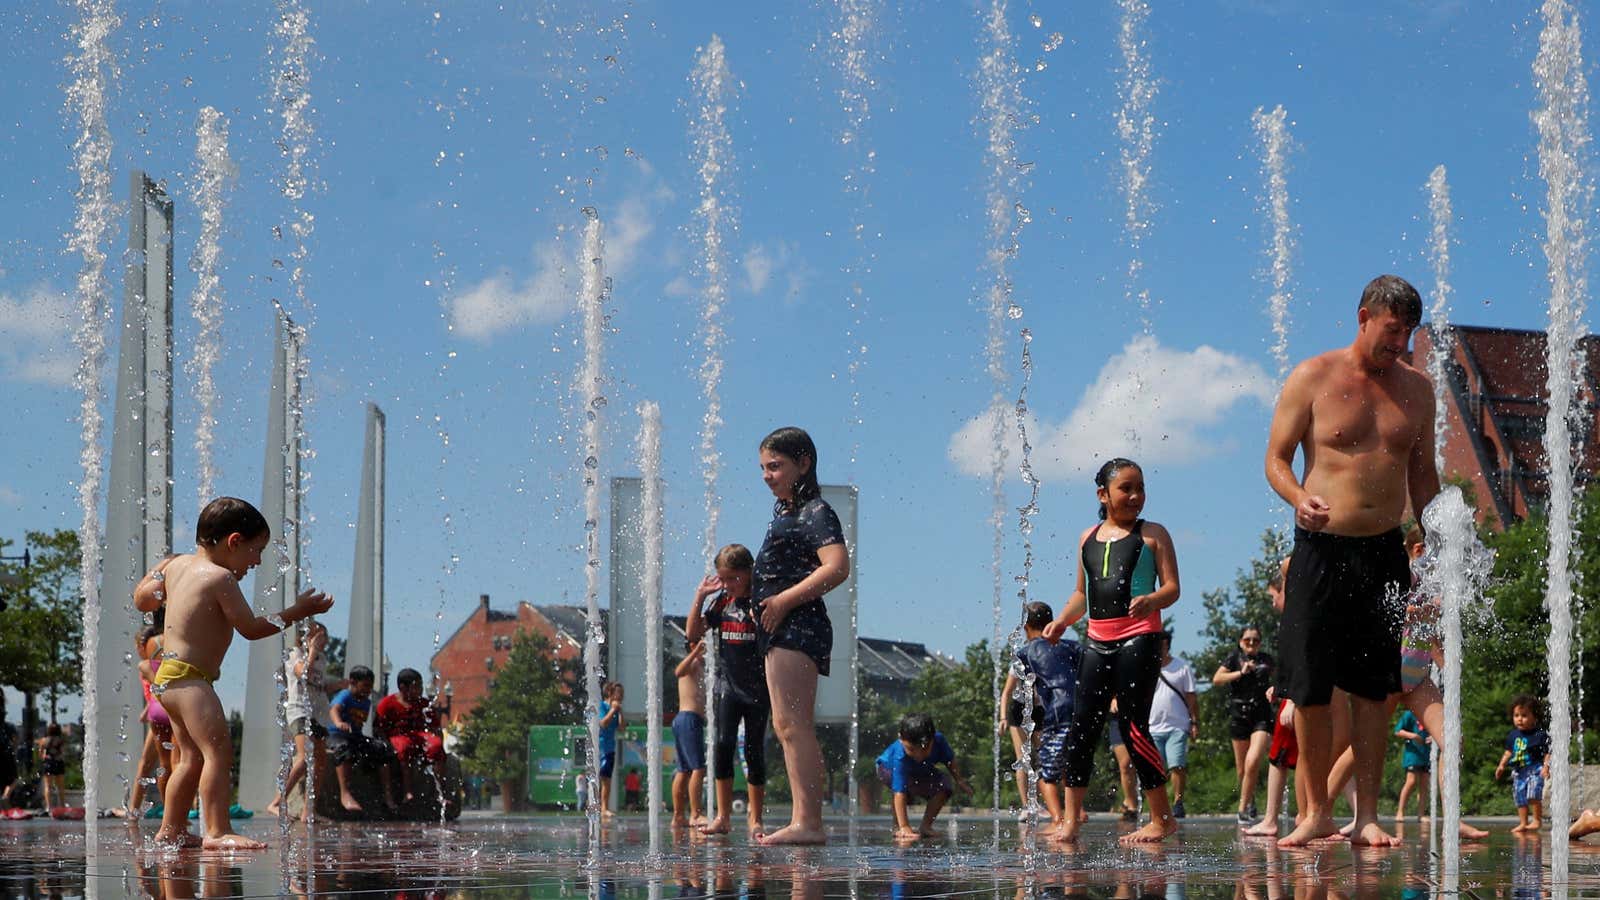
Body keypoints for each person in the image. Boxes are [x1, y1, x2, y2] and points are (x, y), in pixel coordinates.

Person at [1265, 274, 1439, 848]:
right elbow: (1276, 459)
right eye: (1392, 331)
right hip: (1320, 548)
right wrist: (1298, 498)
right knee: (1310, 687)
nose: (1400, 344)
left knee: (1373, 688)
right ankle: (1314, 811)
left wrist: (1439, 540)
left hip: (1385, 553)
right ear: (1364, 315)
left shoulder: (1418, 390)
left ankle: (1365, 814)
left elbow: (1423, 475)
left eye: (1408, 334)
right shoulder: (1313, 376)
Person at [130, 496, 334, 848]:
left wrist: (162, 574)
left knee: (190, 758)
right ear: (234, 541)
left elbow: (142, 600)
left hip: (169, 681)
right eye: (255, 551)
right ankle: (217, 830)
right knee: (217, 753)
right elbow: (252, 628)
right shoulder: (221, 577)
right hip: (192, 681)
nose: (256, 562)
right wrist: (296, 611)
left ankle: (172, 829)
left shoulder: (176, 566)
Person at [1043, 457, 1182, 843]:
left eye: (1140, 487)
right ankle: (1070, 821)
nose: (1136, 496)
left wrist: (1152, 599)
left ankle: (1161, 817)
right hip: (1097, 641)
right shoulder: (1087, 537)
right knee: (1082, 727)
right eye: (1126, 488)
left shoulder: (1153, 534)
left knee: (1133, 726)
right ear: (1103, 494)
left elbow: (1172, 588)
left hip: (1140, 637)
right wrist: (1063, 622)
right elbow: (1080, 595)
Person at [750, 427, 850, 846]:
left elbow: (837, 566)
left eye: (776, 466)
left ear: (803, 463)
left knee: (794, 725)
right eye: (763, 468)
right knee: (787, 724)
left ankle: (809, 823)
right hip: (783, 627)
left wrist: (783, 601)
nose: (767, 475)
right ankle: (802, 820)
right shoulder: (788, 511)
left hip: (797, 625)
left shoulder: (815, 510)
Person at [685, 543, 769, 837]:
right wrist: (700, 596)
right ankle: (722, 816)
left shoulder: (761, 600)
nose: (728, 585)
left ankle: (755, 818)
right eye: (723, 579)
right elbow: (692, 633)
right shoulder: (722, 603)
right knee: (722, 745)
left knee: (754, 749)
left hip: (758, 689)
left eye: (734, 578)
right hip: (727, 687)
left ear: (748, 573)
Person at [1000, 601, 1080, 830]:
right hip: (1019, 709)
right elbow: (1007, 691)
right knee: (1024, 758)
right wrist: (1003, 718)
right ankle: (1028, 806)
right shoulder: (1023, 654)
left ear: (1025, 626)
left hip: (1044, 709)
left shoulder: (1052, 649)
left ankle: (1060, 808)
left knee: (1050, 756)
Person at [1245, 560, 1303, 839]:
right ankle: (1310, 814)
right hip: (1292, 693)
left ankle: (1272, 819)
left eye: (1273, 596)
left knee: (1278, 758)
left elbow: (1297, 659)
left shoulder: (1296, 616)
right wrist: (1280, 688)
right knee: (1316, 756)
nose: (1272, 603)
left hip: (1297, 698)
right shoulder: (1295, 618)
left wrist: (1289, 698)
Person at [267, 620, 334, 821]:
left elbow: (318, 685)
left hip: (318, 714)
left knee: (320, 761)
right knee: (305, 757)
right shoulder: (294, 654)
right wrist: (312, 651)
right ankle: (276, 802)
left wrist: (339, 684)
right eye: (319, 637)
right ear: (306, 636)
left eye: (324, 637)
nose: (323, 642)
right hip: (299, 711)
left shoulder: (321, 659)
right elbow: (302, 673)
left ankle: (308, 810)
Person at [1213, 625, 1275, 825]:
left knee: (1253, 760)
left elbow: (1281, 678)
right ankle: (1250, 801)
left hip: (1261, 716)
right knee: (1242, 770)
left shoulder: (1267, 660)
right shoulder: (1233, 658)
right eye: (1247, 639)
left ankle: (1241, 809)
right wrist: (1240, 672)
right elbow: (1217, 679)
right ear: (1240, 641)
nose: (1251, 643)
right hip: (1239, 716)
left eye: (1255, 640)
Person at [875, 712, 970, 841]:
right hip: (886, 769)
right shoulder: (900, 756)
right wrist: (905, 826)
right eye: (912, 749)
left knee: (944, 785)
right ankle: (899, 826)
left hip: (919, 771)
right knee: (902, 790)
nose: (918, 755)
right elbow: (899, 792)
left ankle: (926, 826)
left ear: (933, 740)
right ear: (901, 740)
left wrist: (959, 780)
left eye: (924, 749)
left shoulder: (939, 741)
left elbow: (949, 760)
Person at [328, 665, 398, 815]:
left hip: (355, 737)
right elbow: (334, 709)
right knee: (343, 748)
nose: (368, 690)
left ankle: (387, 795)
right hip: (336, 735)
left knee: (383, 748)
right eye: (365, 686)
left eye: (370, 687)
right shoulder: (345, 695)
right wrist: (339, 722)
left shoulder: (366, 701)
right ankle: (344, 794)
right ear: (353, 682)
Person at [375, 667, 446, 804]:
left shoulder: (424, 704)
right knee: (404, 746)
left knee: (436, 746)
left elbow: (435, 728)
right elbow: (378, 728)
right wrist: (386, 745)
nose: (420, 690)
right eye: (416, 687)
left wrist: (439, 743)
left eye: (420, 686)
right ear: (403, 687)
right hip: (398, 737)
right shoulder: (387, 704)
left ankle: (440, 793)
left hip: (419, 736)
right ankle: (408, 791)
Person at [1148, 630, 1198, 820]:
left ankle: (1178, 801)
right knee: (1155, 769)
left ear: (1167, 645)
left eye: (1161, 645)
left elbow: (1192, 696)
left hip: (1178, 724)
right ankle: (1159, 806)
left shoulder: (1181, 667)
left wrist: (1194, 721)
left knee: (1177, 764)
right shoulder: (1147, 668)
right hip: (1152, 726)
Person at [130, 615, 175, 815]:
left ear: (143, 645)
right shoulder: (163, 657)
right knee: (176, 762)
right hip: (165, 708)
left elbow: (155, 689)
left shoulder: (146, 664)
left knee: (150, 764)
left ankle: (134, 808)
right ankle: (172, 812)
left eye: (137, 646)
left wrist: (148, 711)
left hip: (157, 713)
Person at [1496, 695, 1551, 833]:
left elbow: (1547, 753)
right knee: (1520, 797)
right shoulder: (1513, 735)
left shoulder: (1539, 734)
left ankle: (1537, 820)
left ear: (1535, 717)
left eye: (1524, 715)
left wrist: (1546, 767)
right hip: (1519, 772)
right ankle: (1523, 822)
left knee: (1533, 795)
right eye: (1516, 715)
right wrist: (1502, 765)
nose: (1519, 719)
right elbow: (1508, 752)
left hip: (1534, 769)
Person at [670, 638, 708, 828]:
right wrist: (695, 652)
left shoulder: (700, 667)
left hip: (686, 720)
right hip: (688, 719)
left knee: (684, 770)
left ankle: (678, 816)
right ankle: (695, 814)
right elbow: (678, 671)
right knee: (698, 768)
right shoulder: (692, 662)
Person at [1393, 709, 1429, 820]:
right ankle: (1400, 812)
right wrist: (1413, 736)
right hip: (1413, 755)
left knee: (1424, 784)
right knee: (1411, 781)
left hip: (1426, 754)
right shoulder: (1410, 713)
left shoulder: (1430, 713)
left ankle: (1421, 814)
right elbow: (1398, 731)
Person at [597, 681, 623, 819]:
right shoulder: (602, 705)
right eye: (619, 693)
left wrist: (620, 713)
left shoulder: (617, 710)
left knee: (606, 778)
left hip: (610, 748)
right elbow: (603, 723)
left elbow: (622, 728)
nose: (621, 697)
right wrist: (613, 710)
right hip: (599, 747)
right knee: (597, 777)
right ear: (610, 693)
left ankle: (604, 807)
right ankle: (595, 805)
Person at [35, 723, 65, 812]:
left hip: (48, 763)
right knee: (60, 786)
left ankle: (49, 807)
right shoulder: (61, 740)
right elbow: (63, 752)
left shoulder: (44, 740)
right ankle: (62, 805)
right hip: (59, 763)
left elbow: (40, 754)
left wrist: (45, 757)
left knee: (48, 786)